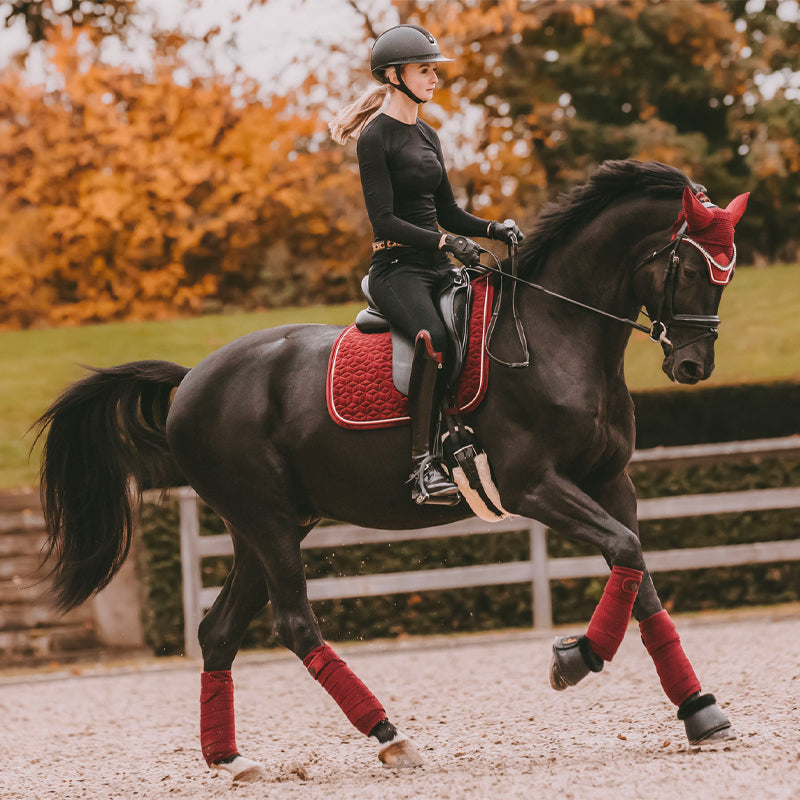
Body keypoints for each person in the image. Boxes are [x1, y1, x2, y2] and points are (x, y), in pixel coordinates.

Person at [329, 24, 523, 505]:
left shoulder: (429, 134)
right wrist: (443, 243)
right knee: (433, 339)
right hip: (397, 270)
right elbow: (385, 220)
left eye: (434, 70)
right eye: (425, 70)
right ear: (395, 75)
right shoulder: (375, 138)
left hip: (438, 264)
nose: (434, 78)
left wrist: (491, 228)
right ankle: (422, 466)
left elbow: (450, 213)